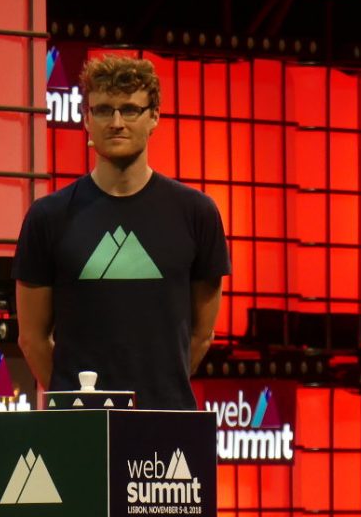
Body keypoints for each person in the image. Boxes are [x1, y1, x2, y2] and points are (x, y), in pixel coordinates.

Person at [13, 54, 230, 410]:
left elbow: (202, 335)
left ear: (154, 116)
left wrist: (159, 393)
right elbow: (32, 339)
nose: (116, 122)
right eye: (103, 110)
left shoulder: (197, 213)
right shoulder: (47, 217)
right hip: (78, 429)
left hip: (166, 423)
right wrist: (78, 400)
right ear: (86, 119)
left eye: (130, 110)